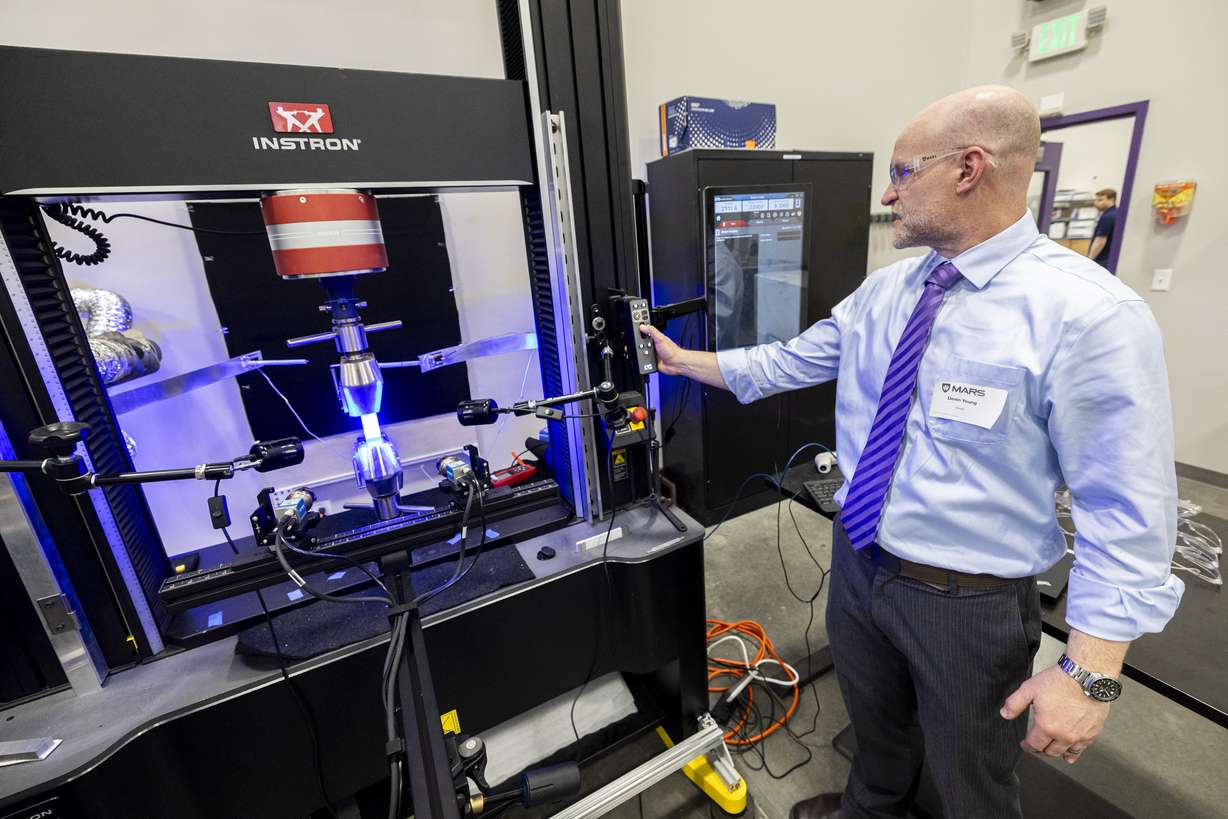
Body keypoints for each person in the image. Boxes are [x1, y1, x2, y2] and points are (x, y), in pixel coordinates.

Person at [640, 86, 1182, 819]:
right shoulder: (889, 291)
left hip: (968, 603)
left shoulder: (1090, 316)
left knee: (972, 779)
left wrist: (1088, 676)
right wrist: (684, 361)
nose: (888, 192)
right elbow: (787, 361)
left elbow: (1128, 512)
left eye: (901, 172)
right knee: (877, 732)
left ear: (967, 168)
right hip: (861, 567)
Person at [1089, 188, 1118, 268]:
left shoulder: (1108, 217)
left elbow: (1100, 241)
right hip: (1111, 258)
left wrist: (1089, 260)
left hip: (1103, 260)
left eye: (1100, 200)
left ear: (1111, 200)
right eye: (1096, 200)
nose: (1096, 203)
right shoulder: (1117, 213)